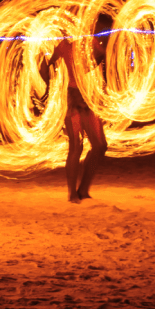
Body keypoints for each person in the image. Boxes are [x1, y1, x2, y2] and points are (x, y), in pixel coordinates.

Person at [47, 17, 110, 203]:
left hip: (87, 97)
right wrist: (45, 84)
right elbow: (50, 63)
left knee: (100, 145)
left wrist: (91, 65)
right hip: (74, 97)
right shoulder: (65, 46)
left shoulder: (89, 42)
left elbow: (101, 56)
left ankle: (83, 189)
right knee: (76, 145)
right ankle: (72, 193)